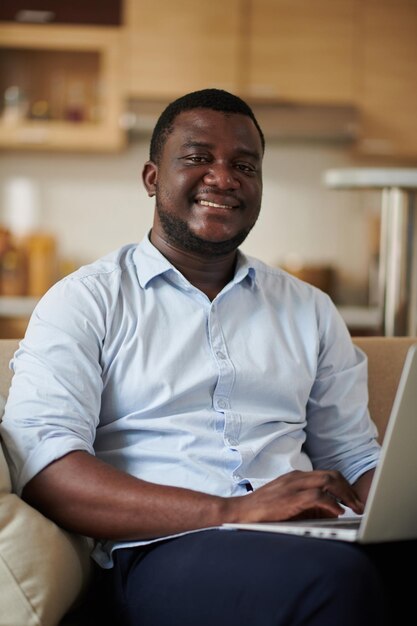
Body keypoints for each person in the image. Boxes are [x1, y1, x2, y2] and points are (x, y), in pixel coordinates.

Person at [0, 88, 409, 626]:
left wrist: (391, 509)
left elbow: (356, 457)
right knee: (333, 583)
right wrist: (235, 511)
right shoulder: (86, 300)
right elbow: (46, 468)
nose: (224, 177)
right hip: (164, 550)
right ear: (152, 178)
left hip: (310, 537)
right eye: (197, 158)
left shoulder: (309, 309)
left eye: (245, 164)